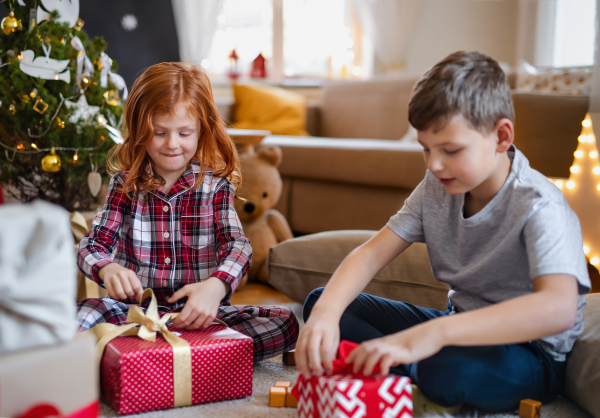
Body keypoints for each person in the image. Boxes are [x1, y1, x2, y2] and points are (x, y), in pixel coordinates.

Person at [297, 51, 590, 411]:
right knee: (322, 303)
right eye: (426, 149)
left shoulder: (540, 205)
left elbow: (557, 308)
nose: (435, 164)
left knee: (445, 369)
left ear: (501, 136)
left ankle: (391, 368)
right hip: (456, 327)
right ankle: (396, 369)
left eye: (450, 150)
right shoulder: (437, 186)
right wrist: (327, 316)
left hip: (529, 355)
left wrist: (431, 335)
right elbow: (372, 253)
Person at [76, 62, 298, 362]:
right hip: (134, 316)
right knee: (79, 316)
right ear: (140, 129)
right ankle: (193, 357)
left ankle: (153, 356)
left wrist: (215, 288)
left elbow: (239, 247)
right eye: (159, 132)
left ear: (201, 131)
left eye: (184, 133)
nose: (172, 144)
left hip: (201, 317)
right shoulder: (124, 185)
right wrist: (107, 268)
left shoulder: (215, 187)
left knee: (283, 323)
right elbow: (91, 245)